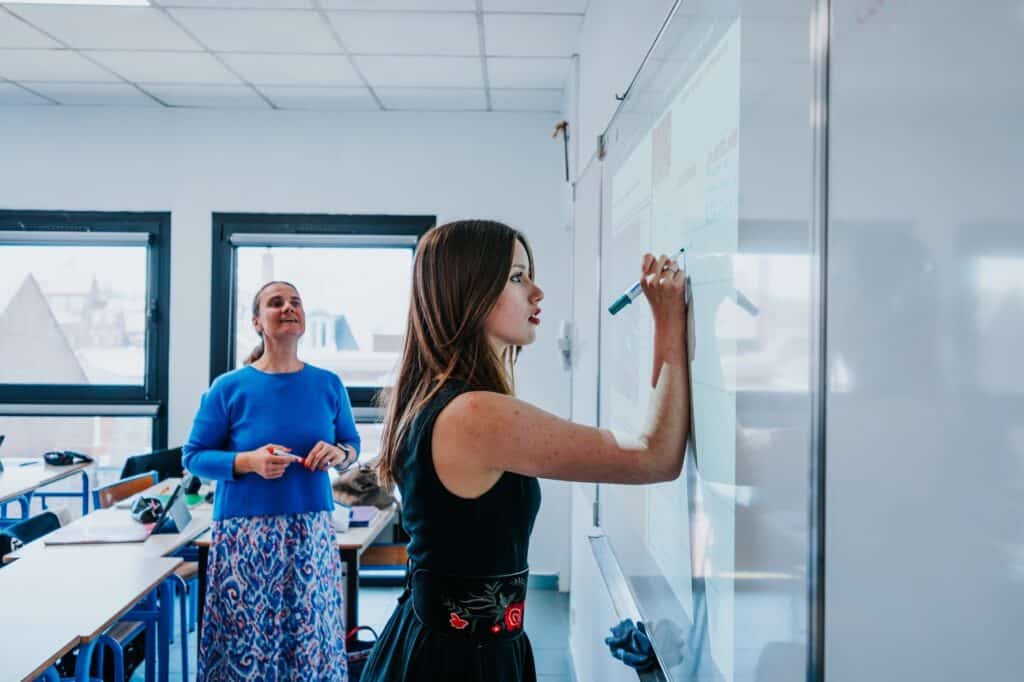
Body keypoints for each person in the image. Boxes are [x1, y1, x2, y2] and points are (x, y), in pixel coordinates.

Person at [361, 220, 690, 681]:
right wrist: (670, 319)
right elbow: (655, 456)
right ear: (468, 291)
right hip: (459, 663)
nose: (537, 292)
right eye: (517, 277)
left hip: (444, 646)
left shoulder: (440, 398)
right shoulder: (474, 413)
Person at [183, 281, 361, 681]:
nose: (288, 308)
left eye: (295, 301)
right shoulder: (228, 387)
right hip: (244, 533)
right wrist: (248, 462)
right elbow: (193, 457)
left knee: (310, 636)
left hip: (311, 529)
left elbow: (351, 444)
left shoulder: (328, 384)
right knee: (246, 639)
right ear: (257, 322)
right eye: (275, 303)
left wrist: (340, 454)